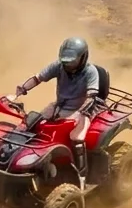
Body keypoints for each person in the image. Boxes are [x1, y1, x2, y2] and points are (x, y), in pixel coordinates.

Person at [15, 36, 100, 175]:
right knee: (31, 122)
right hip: (59, 105)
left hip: (83, 108)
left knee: (77, 138)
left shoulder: (91, 72)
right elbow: (38, 78)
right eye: (65, 61)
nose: (68, 65)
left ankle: (81, 175)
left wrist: (82, 113)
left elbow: (91, 97)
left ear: (83, 57)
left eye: (72, 62)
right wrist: (22, 90)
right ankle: (22, 159)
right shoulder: (59, 66)